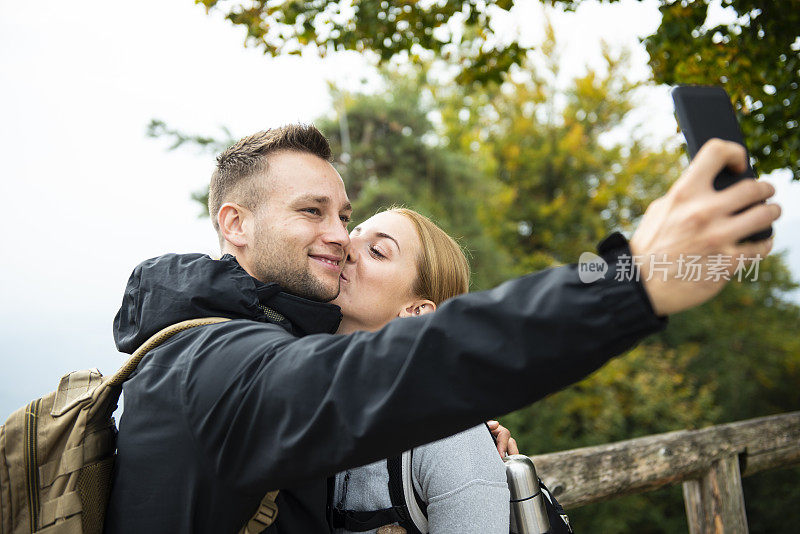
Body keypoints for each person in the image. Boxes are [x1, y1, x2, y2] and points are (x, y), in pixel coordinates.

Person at [104, 124, 779, 533]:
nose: (339, 236)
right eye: (313, 212)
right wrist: (628, 279)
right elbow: (398, 369)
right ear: (234, 224)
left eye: (347, 216)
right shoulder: (218, 361)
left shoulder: (255, 339)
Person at [329, 208, 510, 534]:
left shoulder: (452, 437)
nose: (345, 247)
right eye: (351, 233)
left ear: (417, 314)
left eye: (377, 251)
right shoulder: (316, 402)